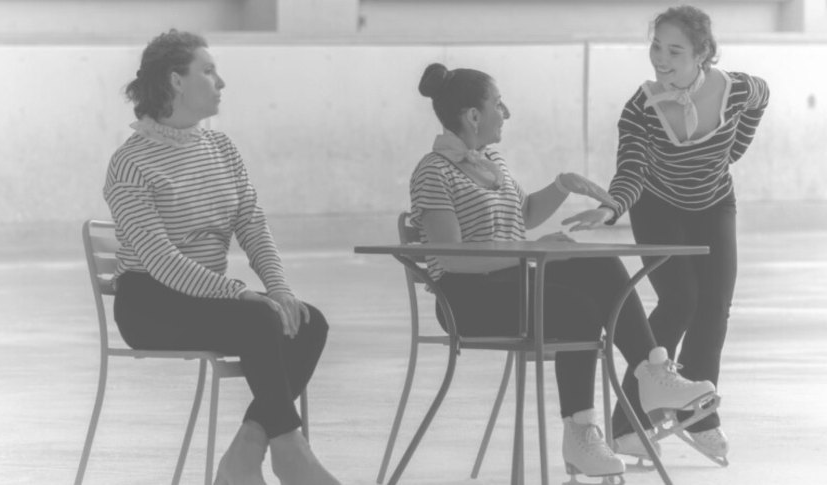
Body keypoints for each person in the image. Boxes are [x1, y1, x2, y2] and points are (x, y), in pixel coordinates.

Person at [411, 62, 718, 480]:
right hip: (465, 300)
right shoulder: (433, 171)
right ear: (473, 116)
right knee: (576, 308)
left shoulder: (490, 161)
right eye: (498, 104)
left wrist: (562, 185)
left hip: (513, 284)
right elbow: (452, 259)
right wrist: (532, 250)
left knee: (599, 264)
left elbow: (524, 214)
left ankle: (651, 373)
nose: (506, 112)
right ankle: (581, 432)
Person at [103, 30, 341, 485]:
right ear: (176, 81)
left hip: (208, 299)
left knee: (307, 322)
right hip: (149, 304)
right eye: (209, 71)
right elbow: (161, 261)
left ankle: (247, 452)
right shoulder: (131, 164)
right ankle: (291, 453)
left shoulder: (221, 148)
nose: (221, 82)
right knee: (258, 319)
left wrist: (278, 289)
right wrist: (240, 294)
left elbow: (252, 223)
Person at [563, 5, 769, 465]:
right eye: (657, 47)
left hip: (715, 204)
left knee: (714, 307)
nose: (661, 58)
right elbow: (632, 170)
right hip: (658, 206)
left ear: (702, 53)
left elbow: (762, 97)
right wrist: (611, 207)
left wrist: (733, 149)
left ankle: (699, 415)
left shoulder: (736, 89)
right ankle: (626, 425)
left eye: (675, 51)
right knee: (680, 301)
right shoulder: (641, 108)